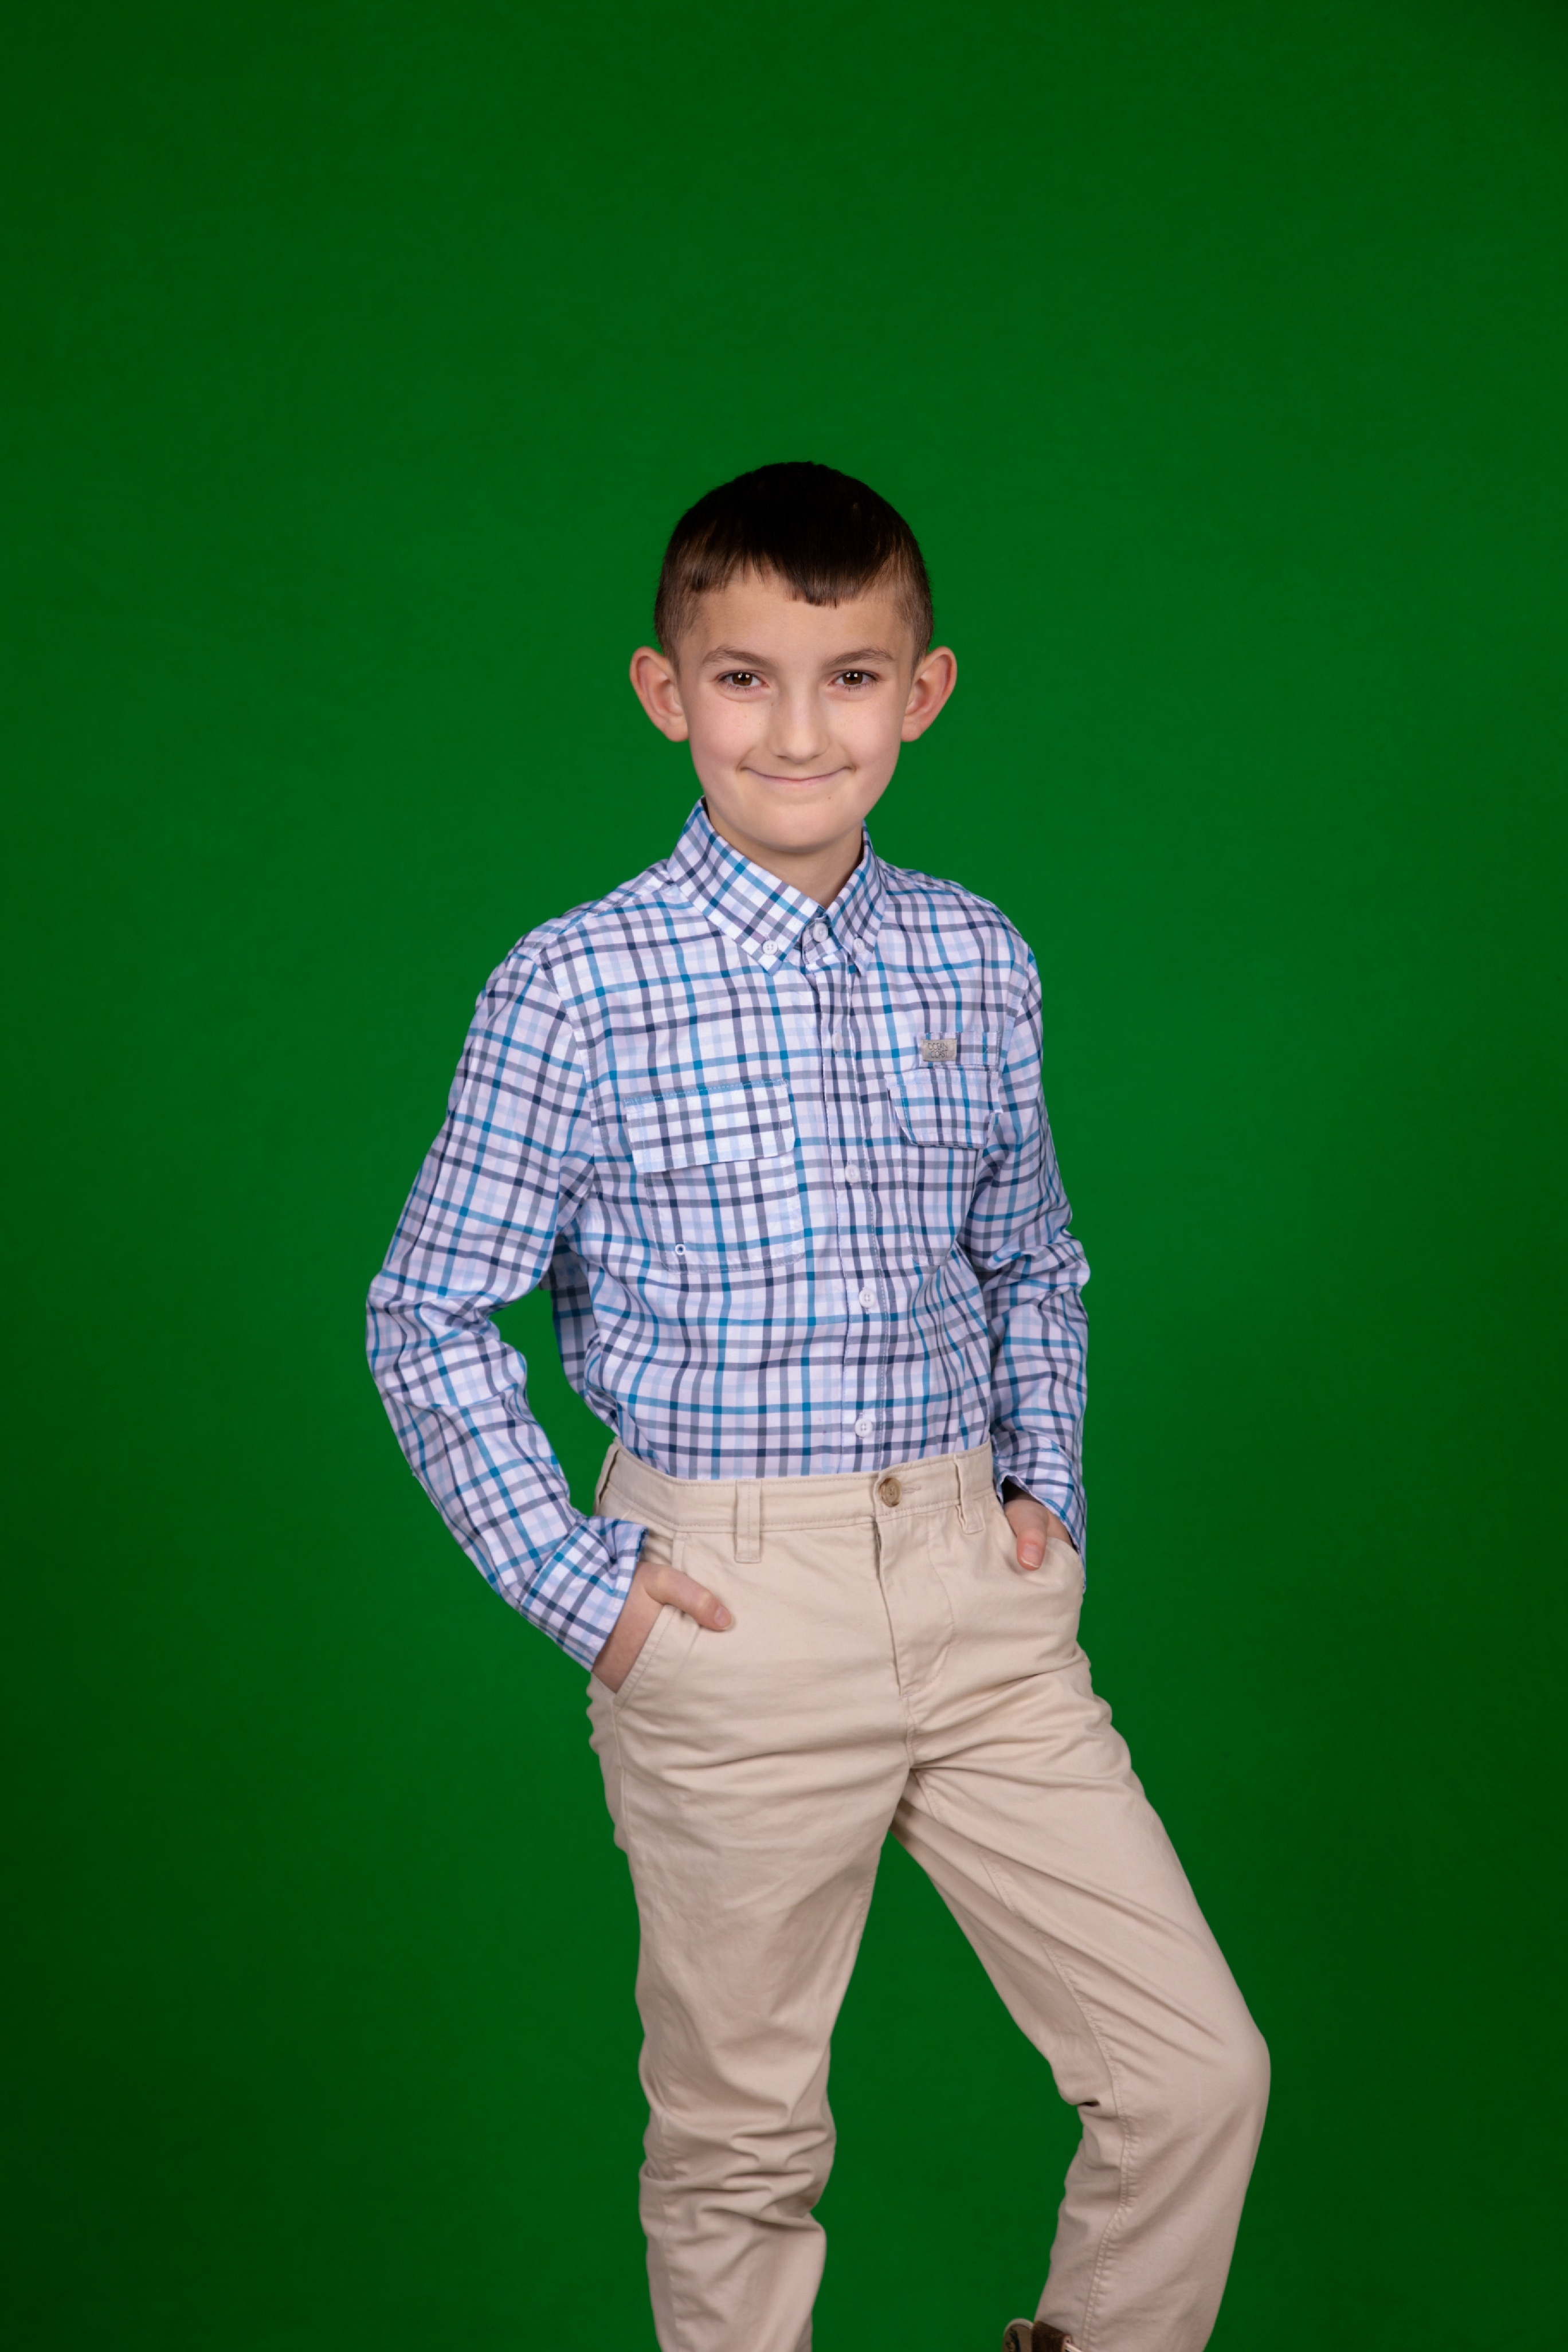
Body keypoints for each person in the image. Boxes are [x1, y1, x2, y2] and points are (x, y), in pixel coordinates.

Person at [366, 461, 1268, 2352]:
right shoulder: (577, 988)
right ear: (665, 692)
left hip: (974, 1588)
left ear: (921, 693)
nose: (798, 729)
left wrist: (1043, 1495)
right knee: (742, 2143)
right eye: (745, 678)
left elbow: (1035, 1260)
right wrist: (587, 1593)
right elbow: (427, 1311)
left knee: (1196, 2074)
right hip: (724, 1606)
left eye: (850, 677)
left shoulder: (978, 955)